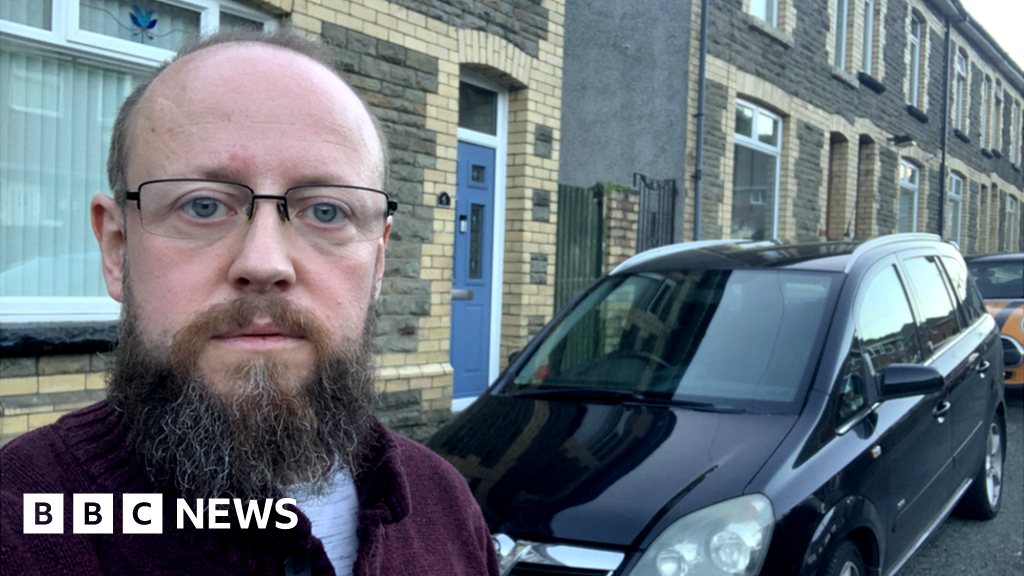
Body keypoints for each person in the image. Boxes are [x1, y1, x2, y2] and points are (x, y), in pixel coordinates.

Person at [0, 29, 499, 576]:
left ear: (378, 260)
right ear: (118, 249)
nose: (265, 263)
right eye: (204, 205)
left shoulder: (445, 502)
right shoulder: (25, 520)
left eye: (327, 211)